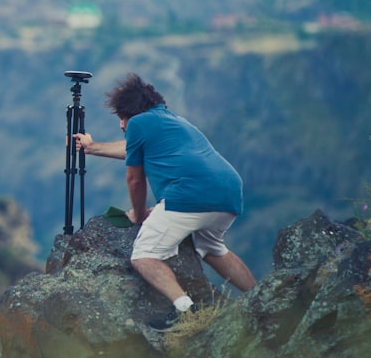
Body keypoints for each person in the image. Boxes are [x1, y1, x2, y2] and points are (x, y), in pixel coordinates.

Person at [74, 73, 257, 331]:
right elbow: (131, 149)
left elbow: (135, 180)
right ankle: (261, 296)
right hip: (228, 192)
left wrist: (139, 214)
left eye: (121, 118)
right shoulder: (172, 121)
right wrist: (93, 148)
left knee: (144, 256)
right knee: (213, 248)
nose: (121, 126)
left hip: (190, 194)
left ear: (130, 113)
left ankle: (186, 311)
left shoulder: (138, 124)